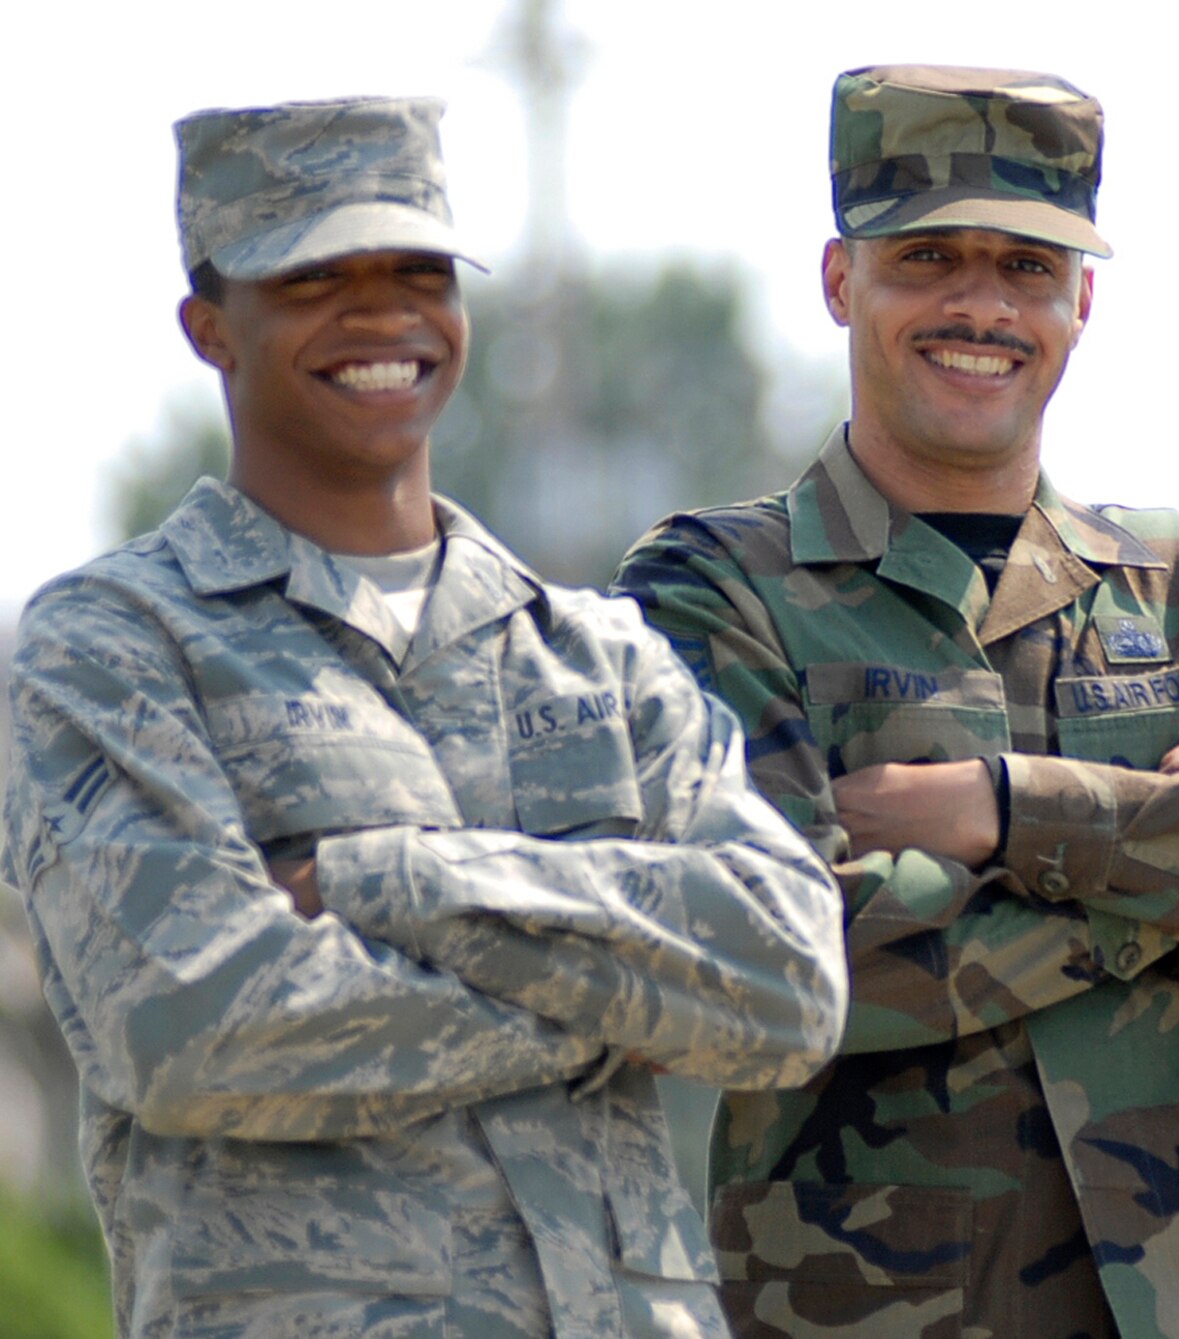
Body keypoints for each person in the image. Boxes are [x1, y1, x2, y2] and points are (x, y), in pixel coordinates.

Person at [612, 64, 1179, 1339]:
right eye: (927, 258)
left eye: (1024, 266)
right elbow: (758, 962)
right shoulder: (713, 590)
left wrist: (1000, 811)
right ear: (840, 281)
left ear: (1082, 299)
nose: (979, 305)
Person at [0, 95, 848, 1338]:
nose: (382, 313)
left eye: (417, 269)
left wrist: (387, 882)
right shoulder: (113, 648)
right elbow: (197, 1029)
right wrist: (623, 1005)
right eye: (314, 277)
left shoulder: (601, 659)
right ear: (208, 327)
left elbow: (788, 983)